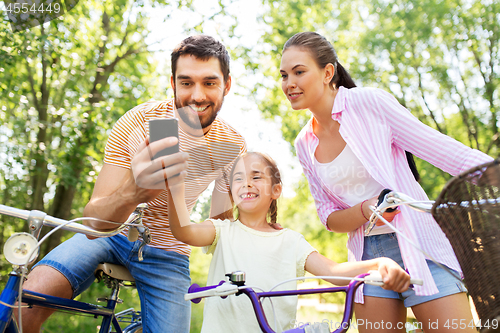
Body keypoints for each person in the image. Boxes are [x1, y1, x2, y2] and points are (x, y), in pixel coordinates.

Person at [19, 35, 247, 333]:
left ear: (227, 85)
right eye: (186, 82)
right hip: (110, 234)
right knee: (23, 307)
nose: (197, 95)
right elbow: (93, 222)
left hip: (170, 251)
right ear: (173, 82)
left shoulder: (232, 146)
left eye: (210, 82)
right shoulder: (139, 122)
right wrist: (134, 190)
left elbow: (219, 223)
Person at [279, 31, 494, 332]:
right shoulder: (303, 143)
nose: (289, 83)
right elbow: (330, 217)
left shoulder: (369, 103)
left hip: (419, 243)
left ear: (328, 72)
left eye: (299, 72)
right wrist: (367, 209)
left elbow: (443, 150)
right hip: (367, 259)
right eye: (284, 75)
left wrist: (493, 174)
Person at [167, 151, 411, 333]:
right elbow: (183, 231)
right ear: (231, 191)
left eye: (256, 177)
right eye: (239, 179)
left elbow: (334, 273)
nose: (247, 183)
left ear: (276, 190)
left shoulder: (291, 241)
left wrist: (379, 263)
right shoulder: (221, 231)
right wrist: (173, 185)